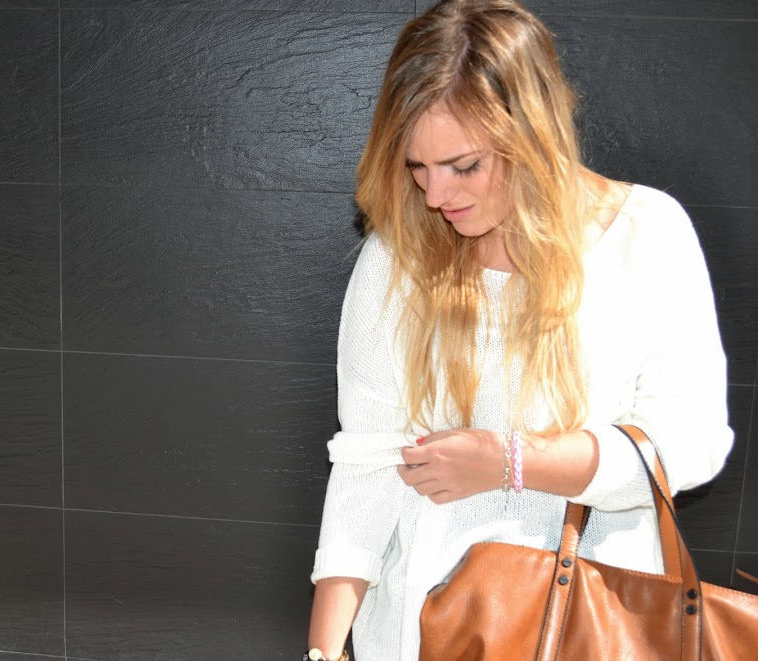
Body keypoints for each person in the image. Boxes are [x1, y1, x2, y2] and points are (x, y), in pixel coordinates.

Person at [302, 1, 734, 660]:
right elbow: (367, 467)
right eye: (416, 167)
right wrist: (323, 651)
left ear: (532, 132)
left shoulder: (645, 233)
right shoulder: (399, 253)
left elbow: (690, 444)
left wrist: (510, 462)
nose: (435, 195)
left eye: (463, 166)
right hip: (419, 632)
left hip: (591, 627)